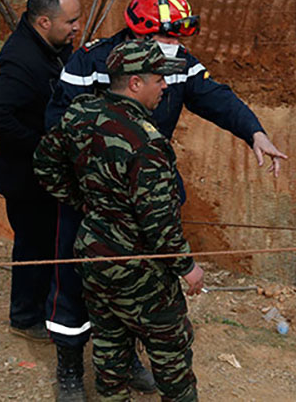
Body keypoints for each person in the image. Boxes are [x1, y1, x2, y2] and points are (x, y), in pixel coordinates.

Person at [43, 0, 287, 398]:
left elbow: (213, 95)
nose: (175, 45)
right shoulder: (90, 63)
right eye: (167, 35)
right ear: (140, 32)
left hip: (150, 191)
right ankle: (68, 365)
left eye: (178, 37)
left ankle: (131, 359)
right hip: (95, 202)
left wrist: (254, 132)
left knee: (149, 281)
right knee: (76, 278)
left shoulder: (176, 62)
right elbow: (56, 135)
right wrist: (83, 195)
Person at [34, 39, 206, 402]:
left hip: (94, 256)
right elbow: (159, 223)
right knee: (171, 355)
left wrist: (87, 203)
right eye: (159, 79)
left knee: (109, 348)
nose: (165, 86)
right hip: (139, 269)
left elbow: (45, 164)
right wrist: (186, 266)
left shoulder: (81, 114)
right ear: (134, 83)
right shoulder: (147, 143)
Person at [0, 0, 81, 343]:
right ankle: (25, 317)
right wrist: (40, 147)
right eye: (70, 21)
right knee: (33, 247)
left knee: (48, 245)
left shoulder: (53, 48)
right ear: (43, 21)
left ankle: (47, 309)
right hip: (25, 177)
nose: (76, 28)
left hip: (46, 176)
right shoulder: (21, 61)